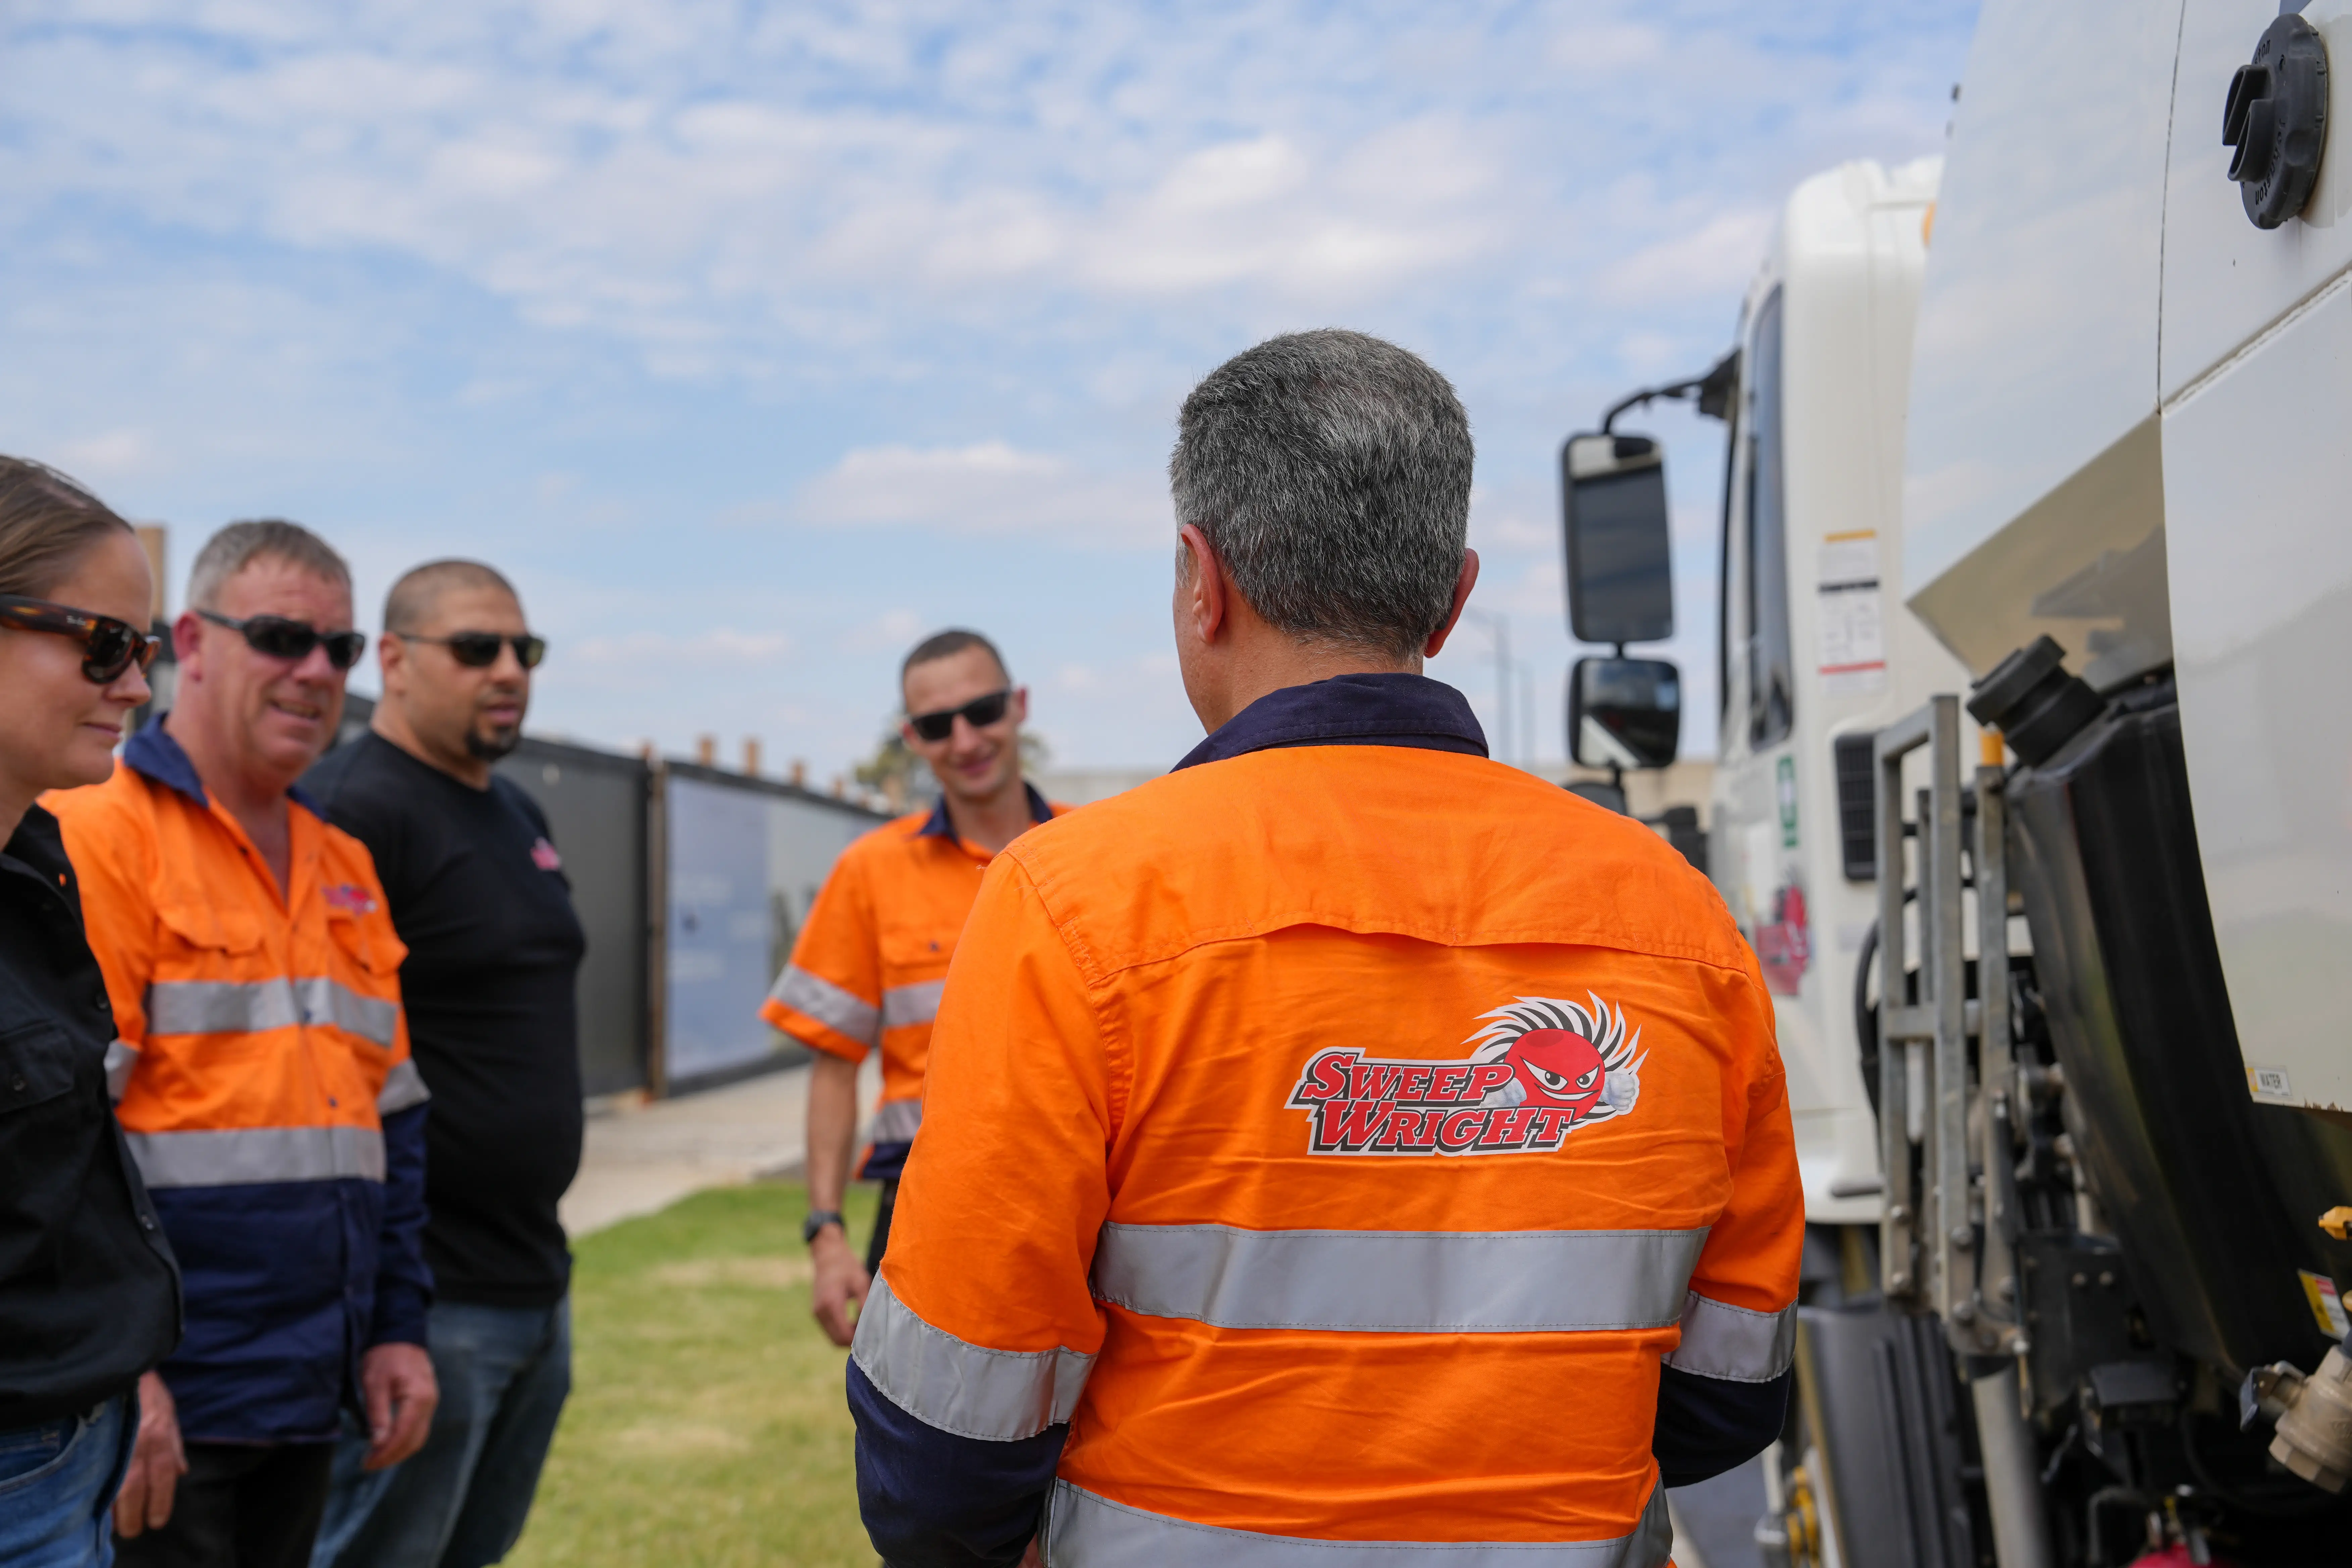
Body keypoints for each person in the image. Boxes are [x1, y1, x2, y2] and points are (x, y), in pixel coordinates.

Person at [848, 330, 1803, 1567]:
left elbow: (945, 1444)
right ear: (1450, 599)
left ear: (1202, 581)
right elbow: (1725, 1397)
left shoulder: (1074, 904)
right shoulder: (1677, 922)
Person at [49, 520, 437, 1568]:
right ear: (193, 641)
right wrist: (119, 1370)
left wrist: (399, 1325)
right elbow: (59, 1140)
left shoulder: (342, 860)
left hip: (312, 1385)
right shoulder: (98, 831)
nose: (316, 671)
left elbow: (391, 1121)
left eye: (340, 649)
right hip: (165, 1401)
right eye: (280, 636)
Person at [303, 561, 584, 1568]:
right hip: (426, 1301)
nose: (509, 671)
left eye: (525, 651)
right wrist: (391, 1312)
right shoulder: (347, 814)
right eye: (476, 649)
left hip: (534, 1277)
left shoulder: (520, 816)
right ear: (395, 662)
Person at [758, 629, 1064, 1347]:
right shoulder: (870, 871)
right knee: (918, 1450)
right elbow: (834, 1068)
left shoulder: (1099, 853)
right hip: (921, 1210)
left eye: (983, 710)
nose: (964, 739)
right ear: (912, 738)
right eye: (935, 725)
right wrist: (825, 1233)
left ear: (1018, 706)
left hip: (1081, 1203)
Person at [0, 459, 183, 1568]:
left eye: (144, 649)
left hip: (74, 1444)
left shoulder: (38, 858)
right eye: (103, 643)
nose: (136, 687)